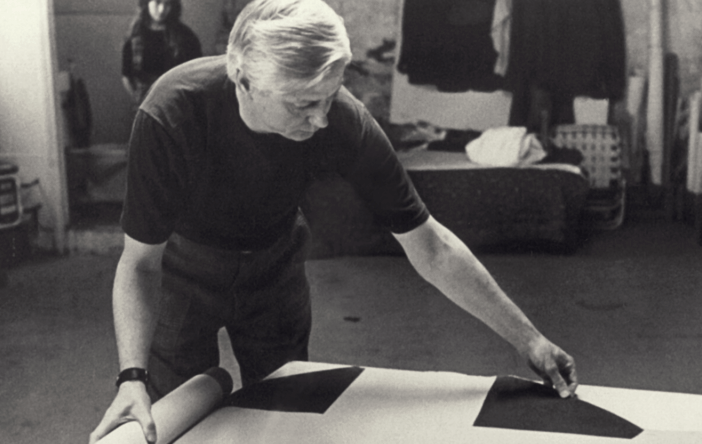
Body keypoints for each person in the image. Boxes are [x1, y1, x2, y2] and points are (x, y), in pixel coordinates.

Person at [89, 1, 579, 442]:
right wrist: (131, 377)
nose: (322, 120)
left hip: (274, 266)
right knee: (180, 421)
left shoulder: (342, 119)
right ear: (242, 76)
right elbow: (139, 265)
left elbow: (430, 245)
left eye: (329, 97)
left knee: (289, 416)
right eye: (303, 104)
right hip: (184, 271)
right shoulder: (170, 113)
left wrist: (529, 339)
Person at [121, 0, 202, 105]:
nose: (162, 9)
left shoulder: (185, 36)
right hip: (144, 102)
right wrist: (140, 101)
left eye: (167, 3)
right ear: (146, 3)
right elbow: (126, 75)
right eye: (158, 2)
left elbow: (196, 73)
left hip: (176, 103)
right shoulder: (135, 35)